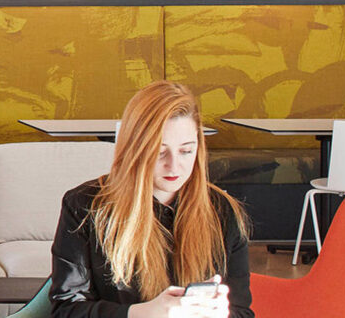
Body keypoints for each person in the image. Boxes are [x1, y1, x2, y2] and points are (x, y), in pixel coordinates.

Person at [51, 81, 251, 318]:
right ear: (135, 148)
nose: (174, 165)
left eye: (186, 151)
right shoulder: (85, 206)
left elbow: (242, 312)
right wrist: (141, 313)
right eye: (159, 152)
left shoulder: (223, 211)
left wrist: (223, 314)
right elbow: (66, 310)